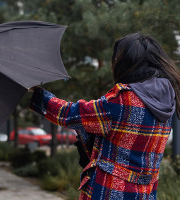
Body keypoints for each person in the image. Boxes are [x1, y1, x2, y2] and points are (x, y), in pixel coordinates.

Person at [29, 33, 180, 200]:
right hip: (145, 194)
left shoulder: (123, 99)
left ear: (127, 63)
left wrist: (39, 94)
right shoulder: (167, 98)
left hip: (110, 193)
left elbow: (70, 114)